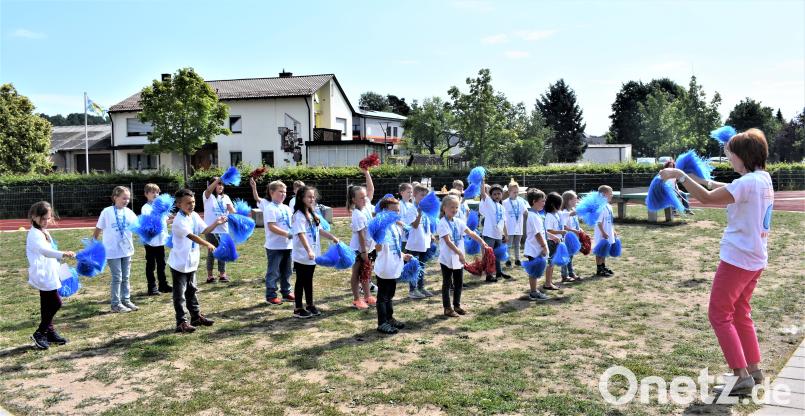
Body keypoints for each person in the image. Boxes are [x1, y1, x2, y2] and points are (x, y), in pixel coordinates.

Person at [660, 128, 773, 396]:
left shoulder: (747, 183)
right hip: (755, 258)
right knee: (741, 312)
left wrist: (681, 176)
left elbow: (709, 199)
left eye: (731, 155)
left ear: (743, 156)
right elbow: (721, 189)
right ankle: (754, 370)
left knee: (719, 314)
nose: (729, 159)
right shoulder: (761, 179)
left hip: (738, 259)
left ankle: (740, 375)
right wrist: (697, 179)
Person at [168, 188, 226, 333]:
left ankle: (196, 317)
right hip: (179, 264)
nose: (192, 205)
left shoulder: (193, 215)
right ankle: (181, 322)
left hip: (191, 262)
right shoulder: (179, 221)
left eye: (193, 202)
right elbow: (192, 236)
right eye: (188, 203)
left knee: (192, 290)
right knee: (179, 294)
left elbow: (204, 230)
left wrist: (217, 223)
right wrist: (207, 244)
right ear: (179, 204)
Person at [27, 201, 76, 349]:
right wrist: (63, 253)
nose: (46, 221)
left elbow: (50, 249)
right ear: (34, 216)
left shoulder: (43, 231)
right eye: (44, 218)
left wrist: (61, 259)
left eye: (48, 218)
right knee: (56, 303)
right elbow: (44, 251)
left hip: (50, 271)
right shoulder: (34, 234)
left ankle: (50, 332)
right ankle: (40, 332)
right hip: (43, 274)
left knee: (46, 304)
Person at [290, 186, 339, 319]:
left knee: (309, 280)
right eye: (309, 197)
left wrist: (332, 237)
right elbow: (301, 234)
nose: (312, 199)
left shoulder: (313, 213)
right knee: (300, 280)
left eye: (313, 196)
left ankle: (310, 304)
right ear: (301, 198)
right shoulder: (298, 216)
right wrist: (308, 250)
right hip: (303, 254)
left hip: (312, 254)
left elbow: (319, 230)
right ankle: (298, 308)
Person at [437, 195, 488, 317]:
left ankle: (457, 305)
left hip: (458, 258)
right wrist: (459, 253)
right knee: (447, 283)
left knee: (459, 282)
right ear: (444, 208)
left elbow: (470, 232)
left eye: (456, 207)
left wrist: (481, 241)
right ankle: (447, 308)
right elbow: (448, 241)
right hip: (447, 258)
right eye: (451, 207)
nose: (454, 209)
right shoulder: (442, 223)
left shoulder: (459, 222)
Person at [93, 186, 139, 313]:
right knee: (117, 277)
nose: (126, 201)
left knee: (126, 277)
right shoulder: (106, 212)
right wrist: (93, 244)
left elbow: (138, 227)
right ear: (115, 198)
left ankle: (126, 300)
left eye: (128, 199)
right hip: (112, 251)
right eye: (124, 198)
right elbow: (98, 228)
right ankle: (115, 304)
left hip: (127, 250)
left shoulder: (129, 212)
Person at [250, 178, 294, 305]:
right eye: (280, 191)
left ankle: (286, 292)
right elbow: (272, 226)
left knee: (287, 271)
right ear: (271, 192)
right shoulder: (270, 208)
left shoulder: (286, 207)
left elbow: (291, 223)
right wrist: (287, 234)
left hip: (287, 245)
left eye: (285, 192)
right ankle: (271, 295)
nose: (283, 194)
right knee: (273, 272)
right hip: (274, 246)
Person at [373, 196, 412, 334]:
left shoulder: (395, 227)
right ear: (384, 210)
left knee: (390, 295)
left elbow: (395, 246)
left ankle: (389, 318)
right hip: (384, 267)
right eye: (394, 211)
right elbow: (377, 248)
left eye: (398, 211)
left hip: (394, 266)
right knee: (382, 296)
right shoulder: (379, 226)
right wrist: (377, 241)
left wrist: (403, 255)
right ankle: (381, 323)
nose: (397, 214)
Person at [347, 168, 377, 310]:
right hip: (359, 248)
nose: (365, 198)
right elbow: (360, 235)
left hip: (368, 247)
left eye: (365, 196)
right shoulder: (357, 214)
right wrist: (364, 252)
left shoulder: (366, 206)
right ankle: (356, 299)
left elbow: (371, 189)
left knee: (367, 272)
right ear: (354, 200)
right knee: (357, 272)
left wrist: (366, 173)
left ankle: (367, 296)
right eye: (361, 197)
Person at [404, 184, 436, 299]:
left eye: (425, 196)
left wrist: (431, 235)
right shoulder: (412, 210)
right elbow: (415, 225)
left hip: (424, 243)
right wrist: (419, 214)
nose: (424, 198)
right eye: (422, 195)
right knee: (414, 268)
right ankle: (412, 290)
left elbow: (427, 225)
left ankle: (421, 287)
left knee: (422, 267)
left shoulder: (425, 209)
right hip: (414, 244)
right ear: (415, 195)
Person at [140, 183, 172, 295]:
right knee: (151, 265)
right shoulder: (146, 208)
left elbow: (165, 222)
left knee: (162, 264)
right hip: (150, 242)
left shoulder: (161, 207)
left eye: (157, 192)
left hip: (160, 241)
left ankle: (163, 285)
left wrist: (173, 219)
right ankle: (152, 287)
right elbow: (150, 223)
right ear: (146, 194)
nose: (156, 194)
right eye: (153, 192)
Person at [203, 177, 235, 283]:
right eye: (218, 184)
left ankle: (222, 275)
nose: (220, 186)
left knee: (223, 250)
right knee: (212, 251)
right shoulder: (207, 195)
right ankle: (210, 276)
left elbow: (232, 210)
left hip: (223, 229)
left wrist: (234, 216)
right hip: (211, 229)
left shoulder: (225, 197)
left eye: (222, 184)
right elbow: (208, 190)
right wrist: (218, 179)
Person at [479, 179, 511, 282]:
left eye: (499, 194)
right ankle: (489, 275)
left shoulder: (502, 207)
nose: (497, 196)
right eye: (494, 194)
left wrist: (506, 234)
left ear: (502, 195)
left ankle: (499, 272)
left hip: (498, 235)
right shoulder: (489, 203)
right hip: (489, 234)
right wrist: (482, 182)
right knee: (489, 255)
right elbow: (483, 193)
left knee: (497, 254)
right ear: (491, 195)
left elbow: (504, 222)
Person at [523, 190, 550, 301]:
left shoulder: (537, 214)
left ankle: (534, 291)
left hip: (537, 248)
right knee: (534, 271)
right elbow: (537, 233)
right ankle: (533, 292)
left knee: (535, 271)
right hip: (534, 249)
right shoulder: (533, 216)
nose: (544, 203)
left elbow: (542, 231)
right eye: (542, 201)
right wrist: (544, 246)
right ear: (534, 201)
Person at [543, 192, 567, 289]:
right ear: (553, 204)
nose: (560, 206)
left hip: (557, 241)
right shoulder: (549, 216)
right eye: (559, 204)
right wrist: (560, 232)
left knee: (552, 263)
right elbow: (548, 230)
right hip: (551, 242)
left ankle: (549, 282)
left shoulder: (556, 214)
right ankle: (548, 283)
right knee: (550, 263)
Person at [502, 179, 528, 267]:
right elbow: (503, 216)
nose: (516, 194)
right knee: (509, 244)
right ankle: (508, 259)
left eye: (517, 192)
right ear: (509, 192)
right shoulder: (505, 203)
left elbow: (525, 212)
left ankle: (518, 259)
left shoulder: (521, 201)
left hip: (519, 226)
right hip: (510, 227)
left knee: (517, 244)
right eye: (514, 192)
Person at [594, 186, 616, 277]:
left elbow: (610, 220)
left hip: (608, 232)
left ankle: (603, 266)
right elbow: (598, 222)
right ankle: (599, 269)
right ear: (603, 195)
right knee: (600, 251)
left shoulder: (609, 206)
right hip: (601, 234)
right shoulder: (600, 207)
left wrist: (613, 231)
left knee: (604, 251)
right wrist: (603, 232)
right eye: (610, 193)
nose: (612, 195)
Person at [560, 191, 582, 282]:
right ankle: (564, 276)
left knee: (571, 256)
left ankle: (571, 273)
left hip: (573, 237)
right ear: (569, 201)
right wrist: (574, 231)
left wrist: (580, 229)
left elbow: (575, 223)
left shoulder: (571, 211)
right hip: (567, 237)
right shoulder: (565, 212)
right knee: (566, 256)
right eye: (575, 199)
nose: (577, 200)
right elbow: (564, 227)